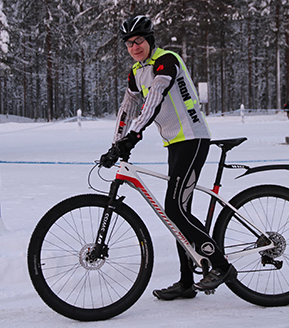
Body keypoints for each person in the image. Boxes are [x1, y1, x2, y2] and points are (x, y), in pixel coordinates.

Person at [99, 15, 237, 300]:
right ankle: (187, 283)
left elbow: (156, 98)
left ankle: (221, 266)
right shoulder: (136, 72)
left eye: (138, 41)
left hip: (193, 138)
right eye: (128, 43)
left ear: (149, 40)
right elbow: (128, 108)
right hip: (175, 143)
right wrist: (116, 144)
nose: (134, 47)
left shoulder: (166, 61)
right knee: (177, 213)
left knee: (174, 209)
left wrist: (134, 135)